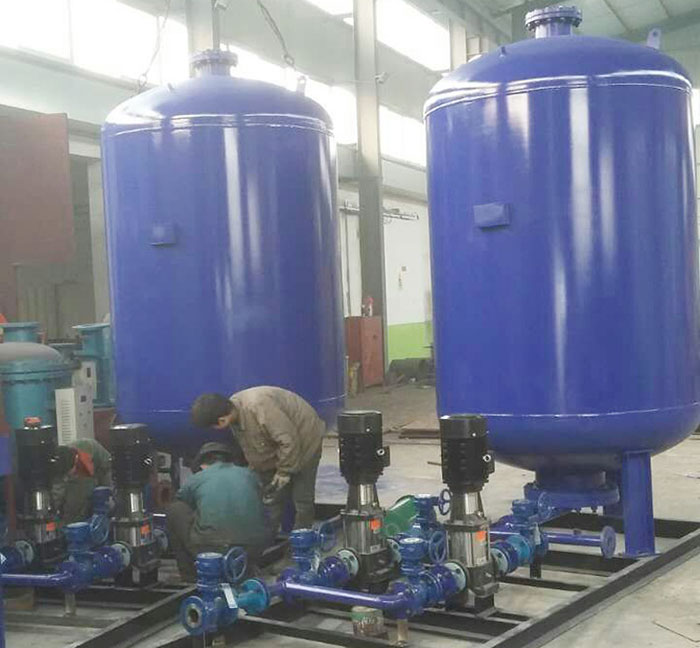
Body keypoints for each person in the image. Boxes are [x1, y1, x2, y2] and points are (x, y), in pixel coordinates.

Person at [190, 387, 324, 532]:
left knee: (302, 496)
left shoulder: (260, 407)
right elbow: (252, 446)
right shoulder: (233, 412)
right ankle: (267, 535)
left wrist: (284, 472)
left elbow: (288, 441)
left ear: (222, 421)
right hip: (277, 442)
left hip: (304, 439)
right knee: (271, 496)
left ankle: (302, 536)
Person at [166, 442, 270, 582]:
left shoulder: (198, 478)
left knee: (175, 509)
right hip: (253, 550)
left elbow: (182, 501)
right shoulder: (250, 475)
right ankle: (248, 567)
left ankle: (191, 576)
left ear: (202, 465)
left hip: (213, 549)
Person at [52, 438, 112, 524]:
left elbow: (110, 466)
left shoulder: (90, 446)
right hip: (79, 493)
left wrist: (109, 492)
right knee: (74, 509)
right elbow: (57, 494)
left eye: (69, 473)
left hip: (101, 479)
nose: (66, 477)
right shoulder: (58, 468)